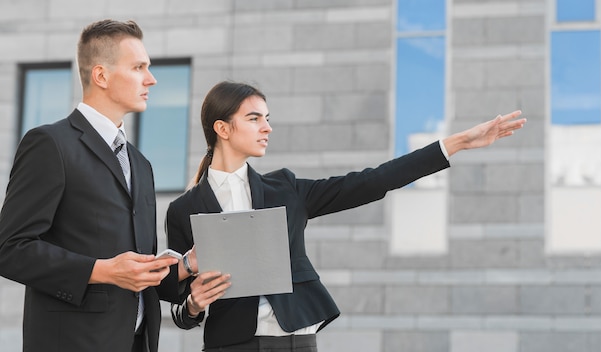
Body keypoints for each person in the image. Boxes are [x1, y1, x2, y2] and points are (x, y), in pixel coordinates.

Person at [157, 81, 526, 351]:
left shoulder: (286, 189)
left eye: (267, 118)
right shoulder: (184, 210)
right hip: (230, 344)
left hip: (295, 341)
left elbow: (372, 181)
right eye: (254, 118)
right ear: (223, 128)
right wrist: (193, 303)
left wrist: (457, 143)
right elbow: (178, 305)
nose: (267, 127)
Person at [0, 19, 179, 352]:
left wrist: (185, 266)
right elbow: (9, 249)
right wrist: (101, 270)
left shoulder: (141, 164)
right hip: (73, 342)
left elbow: (136, 268)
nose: (151, 79)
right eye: (139, 67)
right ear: (101, 75)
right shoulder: (50, 144)